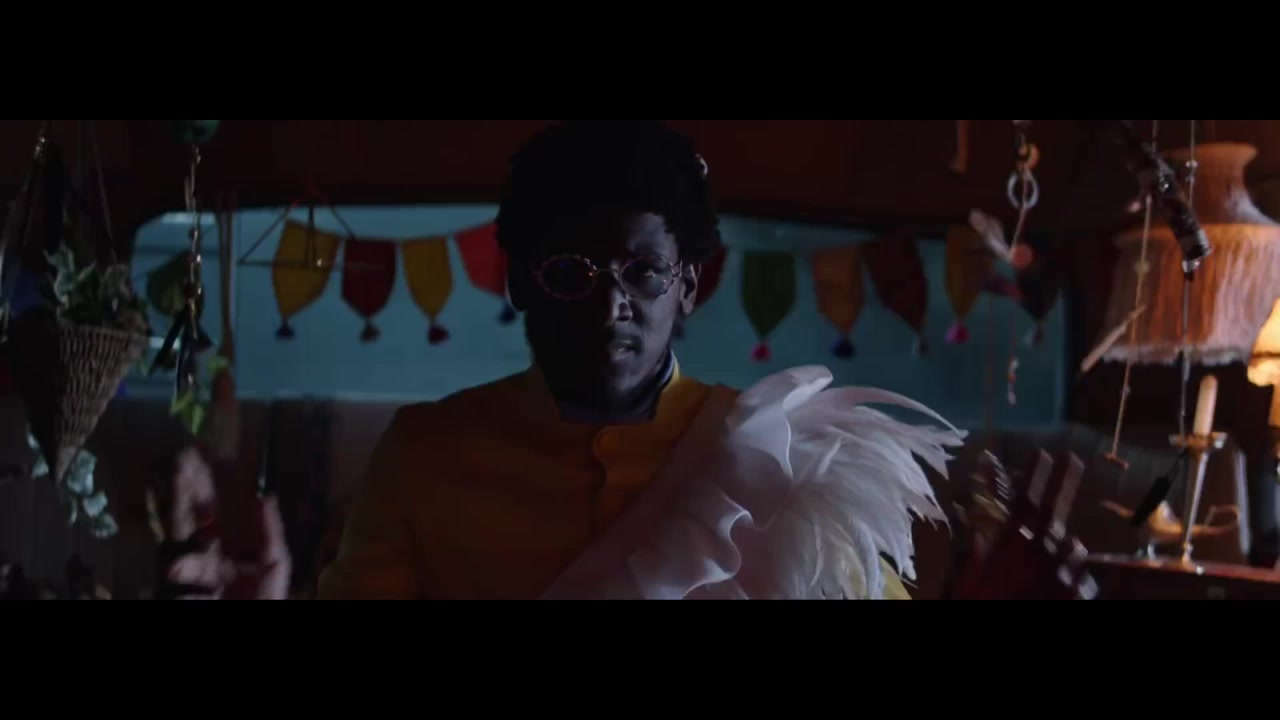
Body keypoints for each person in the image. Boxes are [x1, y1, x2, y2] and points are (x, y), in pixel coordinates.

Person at [160, 120, 1094, 600]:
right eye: (571, 272)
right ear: (519, 284)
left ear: (689, 286)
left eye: (643, 273)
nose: (612, 303)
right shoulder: (426, 455)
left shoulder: (787, 454)